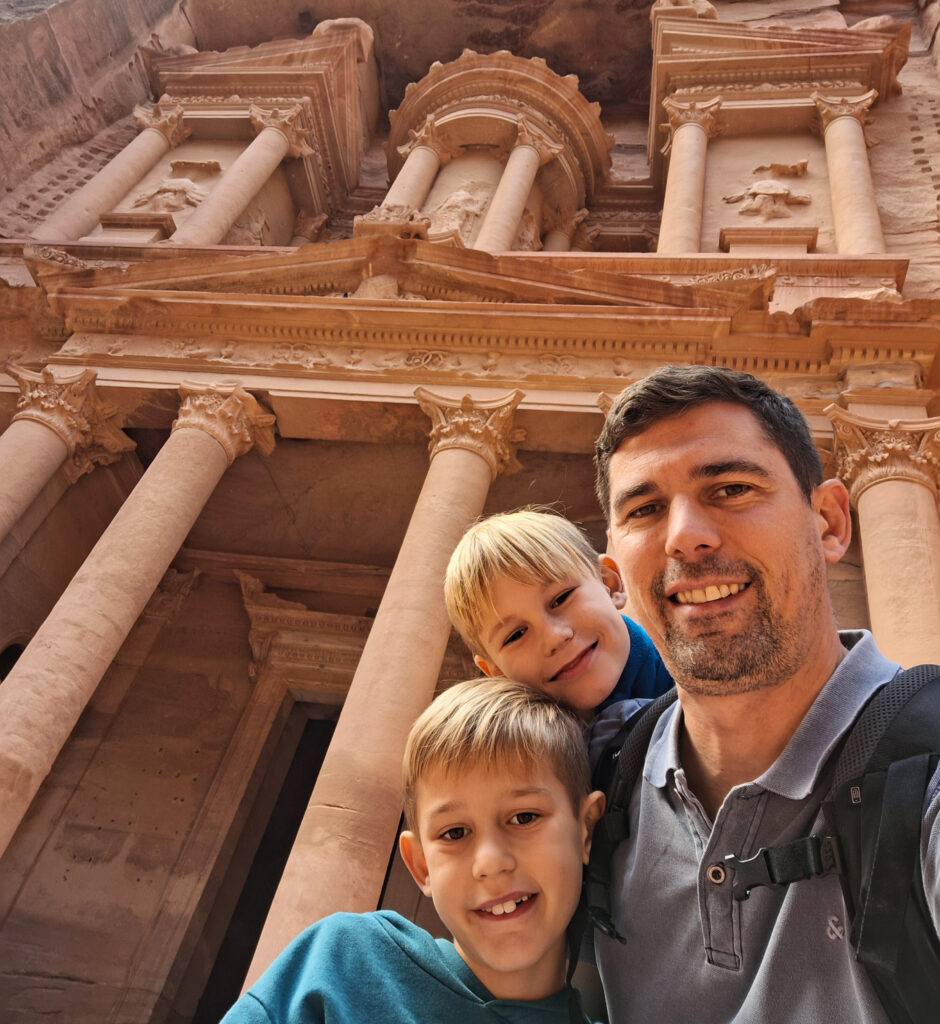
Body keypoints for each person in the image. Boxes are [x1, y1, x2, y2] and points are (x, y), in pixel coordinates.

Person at [590, 363, 940, 1023]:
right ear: (614, 578)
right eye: (645, 508)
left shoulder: (929, 781)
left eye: (730, 487)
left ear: (831, 522)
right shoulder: (599, 784)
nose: (686, 535)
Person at [220, 677, 606, 1024]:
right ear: (420, 865)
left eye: (524, 817)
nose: (489, 861)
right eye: (455, 832)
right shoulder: (345, 965)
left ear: (585, 831)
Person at [444, 508, 673, 714]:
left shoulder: (700, 685)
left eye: (561, 598)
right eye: (516, 635)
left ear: (609, 584)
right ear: (496, 672)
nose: (554, 637)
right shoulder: (526, 757)